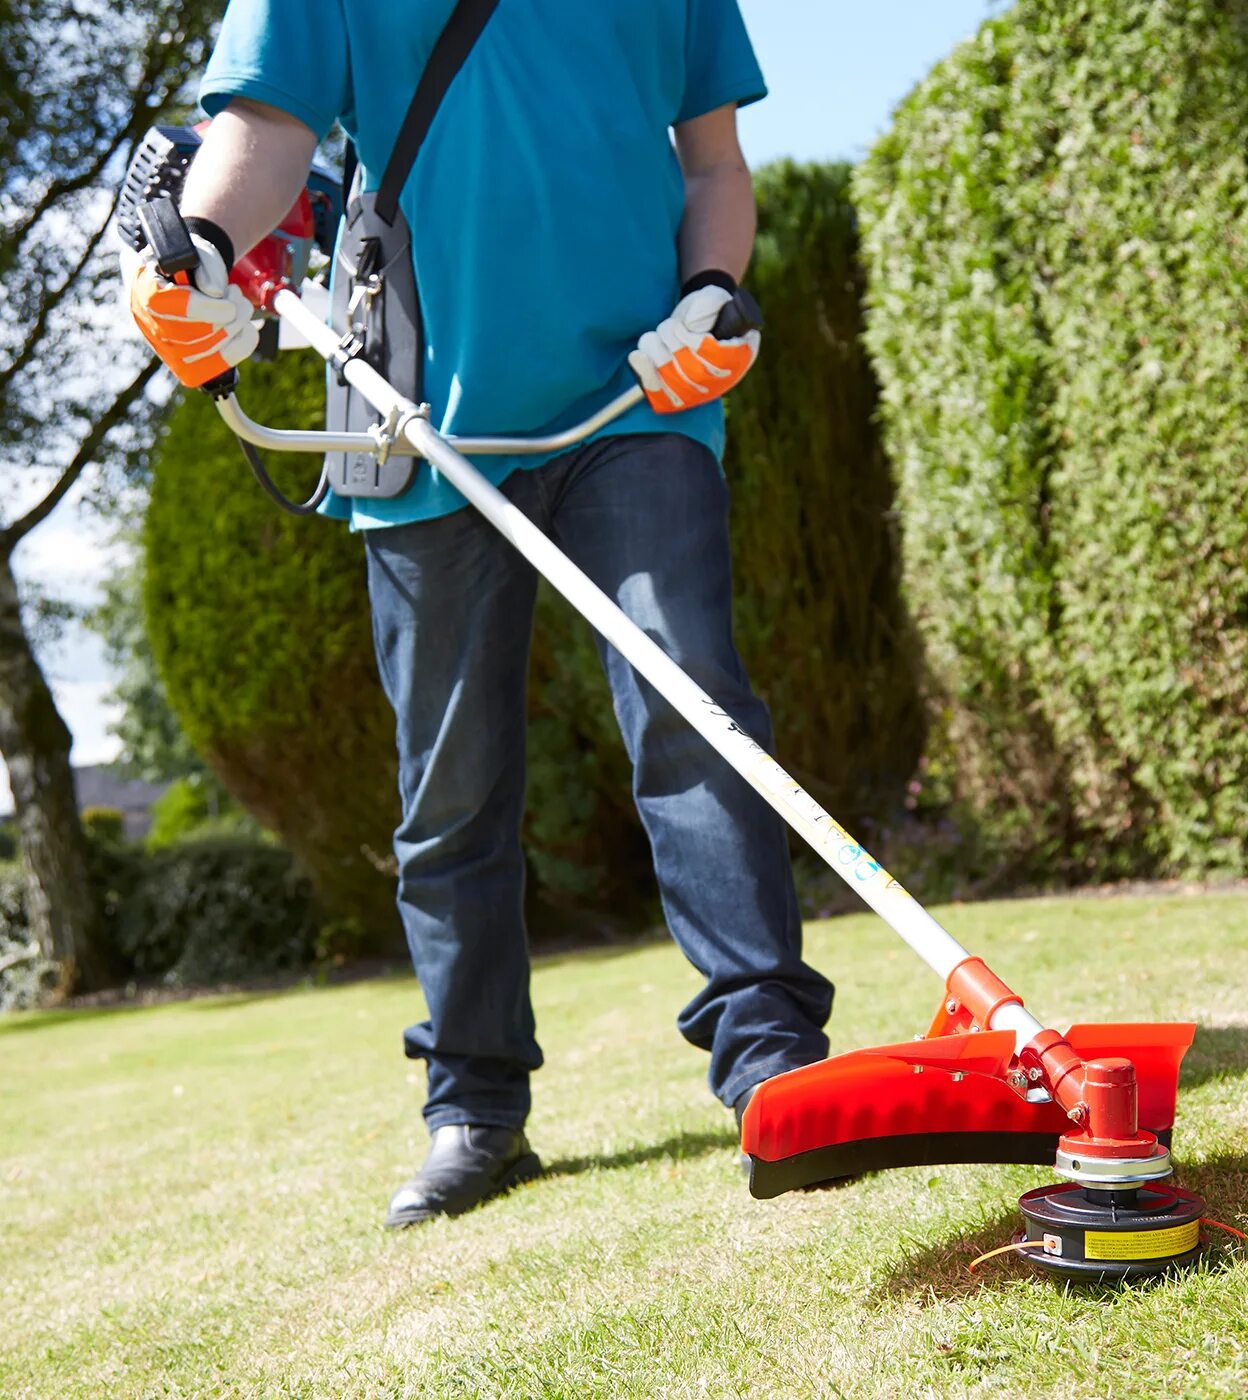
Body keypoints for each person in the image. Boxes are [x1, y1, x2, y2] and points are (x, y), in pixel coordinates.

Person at [127, 0, 834, 1228]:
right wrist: (193, 246)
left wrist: (714, 292)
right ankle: (475, 1107)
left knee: (693, 703)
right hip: (418, 416)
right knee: (448, 788)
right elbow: (267, 134)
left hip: (638, 394)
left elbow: (711, 165)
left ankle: (771, 1059)